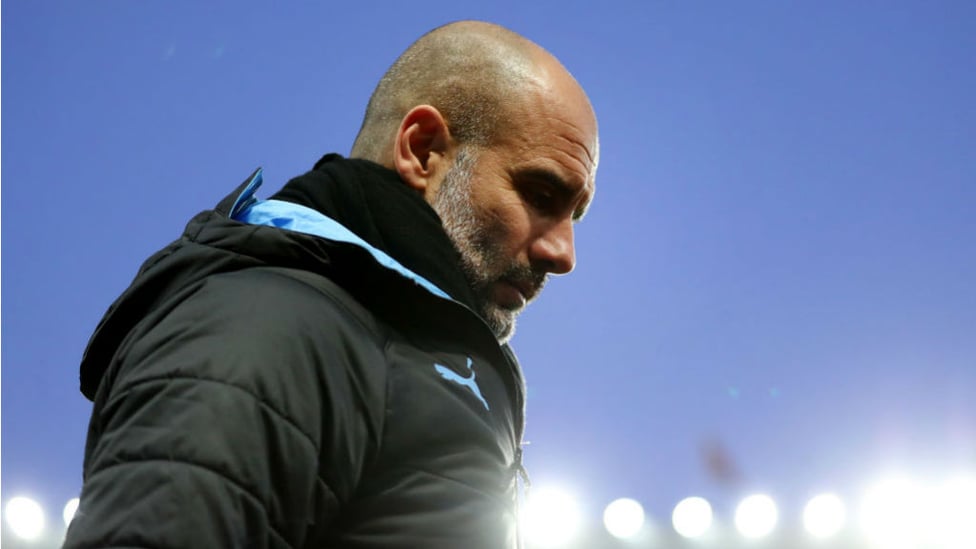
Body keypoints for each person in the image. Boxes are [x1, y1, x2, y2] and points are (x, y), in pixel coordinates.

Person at [65, 20, 598, 549]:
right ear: (423, 150)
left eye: (576, 215)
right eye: (540, 195)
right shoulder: (263, 330)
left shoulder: (402, 347)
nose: (563, 254)